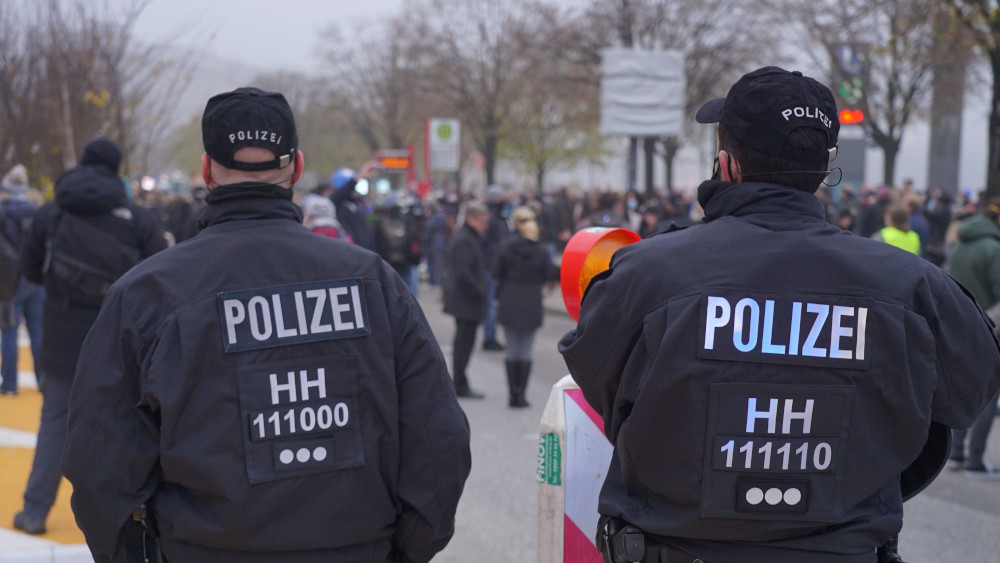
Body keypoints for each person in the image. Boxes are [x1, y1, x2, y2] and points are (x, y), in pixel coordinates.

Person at [558, 66, 1000, 563]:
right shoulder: (914, 287)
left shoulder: (648, 275)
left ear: (726, 165)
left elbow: (599, 383)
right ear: (822, 169)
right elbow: (969, 393)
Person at [61, 87, 471, 563]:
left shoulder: (146, 296)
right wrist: (401, 551)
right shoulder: (374, 283)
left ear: (207, 169)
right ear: (296, 168)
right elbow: (439, 443)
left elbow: (100, 467)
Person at [13, 138, 167, 535]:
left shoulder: (53, 211)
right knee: (126, 430)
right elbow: (158, 278)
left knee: (54, 424)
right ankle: (120, 522)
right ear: (116, 169)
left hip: (61, 338)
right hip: (120, 343)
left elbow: (30, 271)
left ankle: (34, 511)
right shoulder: (136, 217)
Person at [946, 198, 1000, 478]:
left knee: (964, 390)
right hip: (990, 329)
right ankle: (975, 459)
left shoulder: (958, 245)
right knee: (988, 397)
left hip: (961, 325)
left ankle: (955, 453)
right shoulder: (994, 249)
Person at [493, 207, 557, 408]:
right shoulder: (541, 251)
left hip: (510, 298)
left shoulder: (506, 247)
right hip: (531, 300)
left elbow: (496, 272)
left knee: (512, 349)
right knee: (526, 350)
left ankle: (512, 394)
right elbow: (548, 275)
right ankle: (522, 394)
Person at [0, 164, 44, 396]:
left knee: (9, 331)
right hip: (35, 277)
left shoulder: (2, 212)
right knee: (37, 329)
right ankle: (41, 380)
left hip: (8, 280)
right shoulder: (38, 212)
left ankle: (10, 384)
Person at [444, 201, 491, 399]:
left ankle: (460, 382)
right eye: (482, 221)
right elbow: (464, 273)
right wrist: (480, 290)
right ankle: (459, 384)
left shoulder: (467, 237)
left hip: (465, 300)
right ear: (471, 220)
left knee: (464, 343)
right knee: (463, 344)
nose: (485, 226)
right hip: (465, 301)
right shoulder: (465, 239)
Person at [480, 185, 510, 351]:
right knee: (491, 304)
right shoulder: (491, 218)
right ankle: (489, 337)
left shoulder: (500, 217)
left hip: (497, 266)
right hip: (491, 266)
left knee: (494, 304)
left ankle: (491, 335)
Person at [329, 164, 378, 251]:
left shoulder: (357, 202)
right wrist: (358, 176)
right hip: (348, 251)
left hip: (364, 251)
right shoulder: (336, 203)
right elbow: (340, 195)